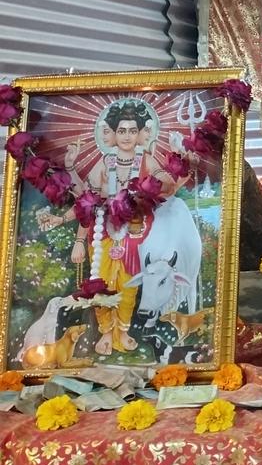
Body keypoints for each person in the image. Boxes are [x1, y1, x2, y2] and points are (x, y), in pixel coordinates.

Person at [40, 98, 179, 354]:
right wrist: (76, 236)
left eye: (132, 131)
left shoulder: (146, 161)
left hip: (135, 234)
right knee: (100, 282)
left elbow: (167, 185)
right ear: (112, 135)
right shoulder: (106, 163)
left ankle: (122, 331)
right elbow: (87, 202)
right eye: (122, 131)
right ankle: (105, 332)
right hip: (102, 233)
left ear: (141, 135)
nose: (127, 136)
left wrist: (164, 173)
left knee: (128, 284)